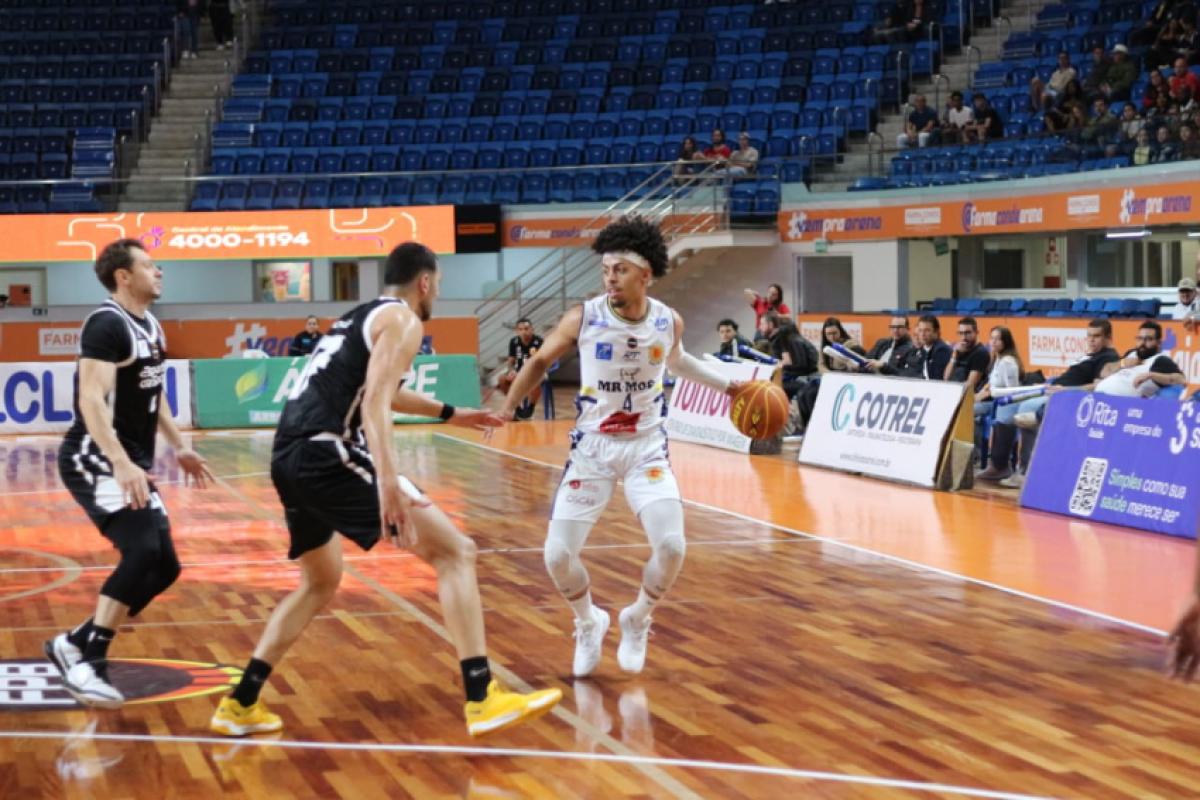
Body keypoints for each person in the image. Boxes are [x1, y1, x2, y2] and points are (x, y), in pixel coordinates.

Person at [211, 242, 562, 738]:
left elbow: (386, 390)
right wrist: (389, 484)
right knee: (456, 553)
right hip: (327, 450)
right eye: (437, 284)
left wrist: (454, 414)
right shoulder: (403, 321)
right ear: (424, 282)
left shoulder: (359, 316)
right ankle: (482, 696)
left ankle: (241, 702)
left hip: (290, 456)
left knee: (320, 581)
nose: (437, 292)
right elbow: (376, 402)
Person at [498, 217, 742, 677]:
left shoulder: (668, 320)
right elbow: (539, 361)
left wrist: (729, 387)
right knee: (556, 556)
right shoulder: (584, 316)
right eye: (606, 269)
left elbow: (679, 361)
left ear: (645, 275)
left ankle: (638, 617)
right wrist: (509, 408)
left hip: (646, 448)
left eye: (620, 270)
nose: (610, 278)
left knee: (672, 546)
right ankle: (588, 621)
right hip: (592, 449)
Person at [46, 238, 215, 708]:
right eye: (149, 265)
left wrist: (180, 445)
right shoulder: (106, 324)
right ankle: (88, 664)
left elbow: (153, 392)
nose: (159, 271)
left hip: (129, 458)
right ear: (124, 276)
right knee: (141, 550)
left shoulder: (150, 324)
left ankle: (74, 642)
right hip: (94, 456)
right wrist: (120, 462)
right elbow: (90, 399)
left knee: (166, 566)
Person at [987, 319, 1120, 488]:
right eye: (1089, 336)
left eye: (1097, 336)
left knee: (1026, 408)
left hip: (1066, 396)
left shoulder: (1109, 358)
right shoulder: (1088, 355)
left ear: (1108, 337)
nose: (1091, 340)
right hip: (1051, 389)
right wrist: (1046, 384)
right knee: (1005, 409)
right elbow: (1068, 376)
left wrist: (1064, 390)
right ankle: (1000, 465)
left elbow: (1096, 387)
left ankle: (1026, 471)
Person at [972, 326, 1023, 472]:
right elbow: (991, 382)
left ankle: (979, 454)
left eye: (998, 339)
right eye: (992, 338)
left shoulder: (1008, 362)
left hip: (1003, 403)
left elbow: (1012, 391)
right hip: (992, 400)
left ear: (1005, 341)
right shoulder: (997, 359)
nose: (993, 342)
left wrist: (990, 393)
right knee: (964, 410)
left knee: (968, 412)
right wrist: (979, 395)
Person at [1095, 320, 1185, 397]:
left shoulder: (1160, 360)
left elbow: (1181, 380)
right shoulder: (1131, 353)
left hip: (1121, 405)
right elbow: (1104, 372)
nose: (1142, 343)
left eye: (1148, 339)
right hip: (1099, 396)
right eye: (1140, 338)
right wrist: (1122, 363)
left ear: (1158, 343)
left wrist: (1151, 375)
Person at [760, 311, 819, 397]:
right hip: (798, 379)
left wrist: (779, 366)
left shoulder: (787, 340)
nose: (759, 327)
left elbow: (798, 365)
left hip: (804, 380)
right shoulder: (780, 339)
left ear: (771, 324)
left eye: (762, 324)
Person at [499, 317, 544, 420]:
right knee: (502, 379)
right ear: (517, 331)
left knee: (537, 380)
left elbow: (542, 361)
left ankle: (530, 407)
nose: (524, 331)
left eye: (526, 328)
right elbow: (511, 361)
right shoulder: (513, 342)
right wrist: (510, 371)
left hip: (535, 371)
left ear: (532, 329)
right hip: (518, 372)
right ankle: (517, 406)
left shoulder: (539, 341)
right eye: (520, 329)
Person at [885, 314, 951, 380]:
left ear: (936, 332)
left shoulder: (941, 350)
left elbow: (936, 380)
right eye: (920, 330)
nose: (922, 334)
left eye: (927, 330)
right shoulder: (923, 349)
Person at [944, 316, 990, 394]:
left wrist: (950, 392)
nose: (964, 337)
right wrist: (954, 355)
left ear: (976, 332)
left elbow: (970, 385)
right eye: (961, 333)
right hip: (954, 392)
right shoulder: (958, 351)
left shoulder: (980, 353)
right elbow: (946, 377)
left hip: (967, 397)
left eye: (967, 333)